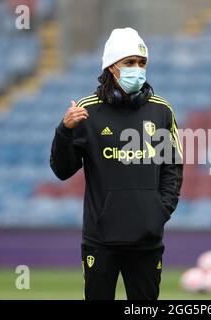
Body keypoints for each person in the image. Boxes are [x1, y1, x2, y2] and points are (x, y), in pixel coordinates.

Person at [50, 27, 183, 300]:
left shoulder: (161, 110)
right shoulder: (86, 111)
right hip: (101, 240)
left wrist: (158, 211)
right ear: (112, 67)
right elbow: (62, 171)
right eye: (130, 62)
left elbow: (173, 167)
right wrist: (64, 131)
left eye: (142, 63)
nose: (138, 69)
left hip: (147, 239)